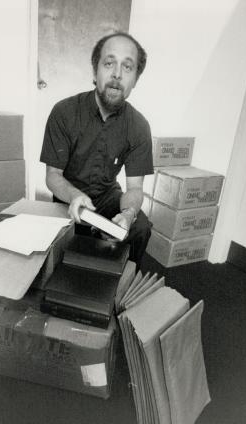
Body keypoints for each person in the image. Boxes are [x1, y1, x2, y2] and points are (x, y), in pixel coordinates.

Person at [40, 32, 154, 269]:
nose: (117, 74)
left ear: (135, 80)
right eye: (109, 63)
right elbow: (53, 176)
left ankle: (122, 288)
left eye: (128, 67)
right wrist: (73, 196)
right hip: (67, 196)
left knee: (140, 227)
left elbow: (134, 188)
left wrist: (129, 214)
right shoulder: (64, 112)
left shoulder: (139, 126)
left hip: (107, 195)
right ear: (95, 72)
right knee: (62, 253)